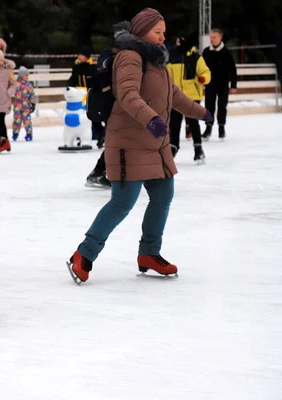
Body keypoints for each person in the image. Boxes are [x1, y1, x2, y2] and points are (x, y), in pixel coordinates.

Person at [67, 8, 213, 283]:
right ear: (142, 31)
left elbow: (176, 96)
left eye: (163, 31)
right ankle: (83, 254)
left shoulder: (157, 62)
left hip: (155, 144)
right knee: (122, 202)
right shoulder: (130, 57)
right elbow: (128, 95)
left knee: (163, 196)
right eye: (157, 31)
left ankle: (149, 253)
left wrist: (201, 113)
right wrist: (153, 121)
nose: (163, 36)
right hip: (129, 141)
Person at [167, 32, 211, 163]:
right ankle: (173, 147)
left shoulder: (196, 57)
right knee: (174, 123)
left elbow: (205, 72)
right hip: (176, 96)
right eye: (178, 42)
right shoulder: (171, 57)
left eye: (181, 42)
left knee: (192, 122)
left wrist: (203, 78)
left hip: (192, 95)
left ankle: (198, 149)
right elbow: (167, 75)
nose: (179, 44)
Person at [201, 29, 237, 140]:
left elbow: (232, 70)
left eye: (214, 37)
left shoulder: (226, 52)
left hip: (223, 85)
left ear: (220, 37)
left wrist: (233, 85)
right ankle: (208, 127)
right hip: (210, 85)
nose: (212, 39)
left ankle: (221, 127)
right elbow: (202, 69)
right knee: (209, 106)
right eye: (211, 37)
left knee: (222, 106)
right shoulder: (206, 52)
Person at [68, 46, 105, 147]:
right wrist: (70, 87)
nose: (79, 56)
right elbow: (73, 79)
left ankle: (101, 134)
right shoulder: (76, 67)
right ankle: (83, 137)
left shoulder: (93, 67)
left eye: (82, 55)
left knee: (92, 116)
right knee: (81, 117)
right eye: (79, 54)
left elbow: (96, 81)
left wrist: (94, 91)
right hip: (79, 95)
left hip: (90, 95)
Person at [11, 66, 37, 141]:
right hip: (17, 105)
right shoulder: (15, 84)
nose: (27, 77)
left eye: (27, 75)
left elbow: (32, 94)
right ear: (21, 76)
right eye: (26, 75)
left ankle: (29, 134)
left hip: (26, 105)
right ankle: (15, 133)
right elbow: (11, 91)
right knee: (17, 120)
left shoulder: (28, 85)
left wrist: (33, 104)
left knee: (27, 120)